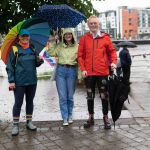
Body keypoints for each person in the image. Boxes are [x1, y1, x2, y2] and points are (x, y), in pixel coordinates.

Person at [78, 16, 117, 129]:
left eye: (95, 23)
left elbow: (112, 52)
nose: (93, 25)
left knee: (104, 96)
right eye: (91, 24)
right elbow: (80, 56)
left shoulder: (105, 38)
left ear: (99, 24)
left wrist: (114, 62)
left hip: (102, 72)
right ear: (88, 25)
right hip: (89, 73)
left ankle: (105, 117)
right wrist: (83, 69)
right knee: (90, 96)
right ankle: (91, 117)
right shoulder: (84, 39)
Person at [6, 29, 43, 136]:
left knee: (30, 101)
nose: (25, 38)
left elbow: (36, 64)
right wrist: (11, 81)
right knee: (18, 103)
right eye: (23, 36)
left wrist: (40, 60)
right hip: (19, 81)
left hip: (32, 80)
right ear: (19, 37)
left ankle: (29, 122)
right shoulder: (14, 49)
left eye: (27, 36)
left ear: (29, 37)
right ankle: (15, 125)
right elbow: (9, 67)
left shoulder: (32, 48)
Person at [47, 28, 78, 126]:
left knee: (70, 97)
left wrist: (80, 75)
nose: (68, 36)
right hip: (61, 71)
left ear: (72, 35)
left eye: (70, 34)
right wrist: (53, 41)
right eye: (66, 34)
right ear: (63, 36)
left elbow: (80, 60)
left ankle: (70, 115)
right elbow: (50, 53)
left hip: (72, 71)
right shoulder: (59, 45)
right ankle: (65, 117)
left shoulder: (77, 47)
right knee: (62, 97)